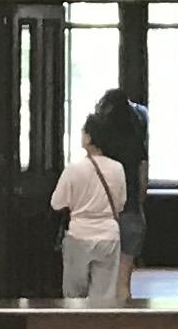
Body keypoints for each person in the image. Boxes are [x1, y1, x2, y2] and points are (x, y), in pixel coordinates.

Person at [51, 118, 130, 305]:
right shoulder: (117, 168)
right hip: (108, 235)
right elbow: (120, 204)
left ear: (88, 137)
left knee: (74, 296)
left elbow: (56, 203)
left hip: (79, 234)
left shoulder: (74, 170)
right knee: (104, 296)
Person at [85, 83, 152, 281]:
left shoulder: (100, 144)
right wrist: (137, 205)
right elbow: (143, 181)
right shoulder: (136, 142)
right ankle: (123, 310)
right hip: (130, 212)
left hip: (101, 216)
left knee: (100, 281)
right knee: (123, 283)